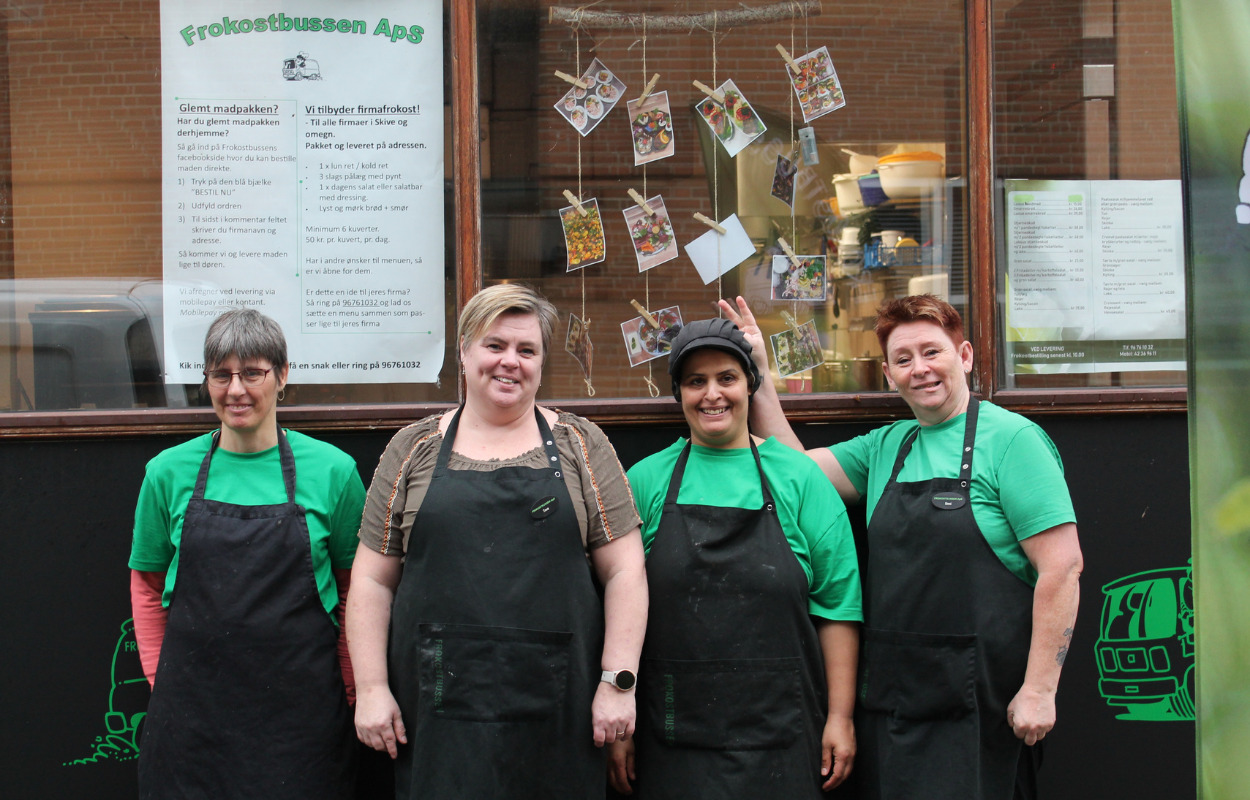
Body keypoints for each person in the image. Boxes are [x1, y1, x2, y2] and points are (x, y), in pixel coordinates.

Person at [722, 294, 1084, 800]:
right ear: (889, 375)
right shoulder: (886, 446)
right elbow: (796, 471)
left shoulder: (1013, 440)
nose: (920, 369)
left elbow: (1062, 568)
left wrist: (1040, 689)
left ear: (964, 356)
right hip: (893, 707)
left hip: (979, 712)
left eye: (932, 352)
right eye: (904, 359)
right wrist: (758, 373)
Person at [348, 283, 648, 798]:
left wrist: (618, 682)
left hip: (561, 713)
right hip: (436, 712)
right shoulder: (413, 448)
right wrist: (372, 688)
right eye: (495, 345)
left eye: (527, 350)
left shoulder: (580, 443)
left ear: (541, 363)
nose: (511, 361)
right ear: (464, 352)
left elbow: (626, 571)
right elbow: (372, 581)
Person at [610, 318, 862, 798]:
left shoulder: (800, 478)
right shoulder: (644, 481)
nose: (712, 394)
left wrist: (840, 717)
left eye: (726, 377)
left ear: (750, 384)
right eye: (695, 381)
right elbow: (615, 605)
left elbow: (838, 606)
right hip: (670, 734)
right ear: (679, 393)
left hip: (784, 734)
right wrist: (619, 720)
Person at [129, 308, 364, 799]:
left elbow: (354, 591)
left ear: (282, 376)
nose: (236, 389)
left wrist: (346, 686)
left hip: (302, 720)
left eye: (252, 373)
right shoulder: (167, 472)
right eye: (222, 374)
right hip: (191, 718)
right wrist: (160, 680)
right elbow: (147, 586)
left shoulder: (333, 471)